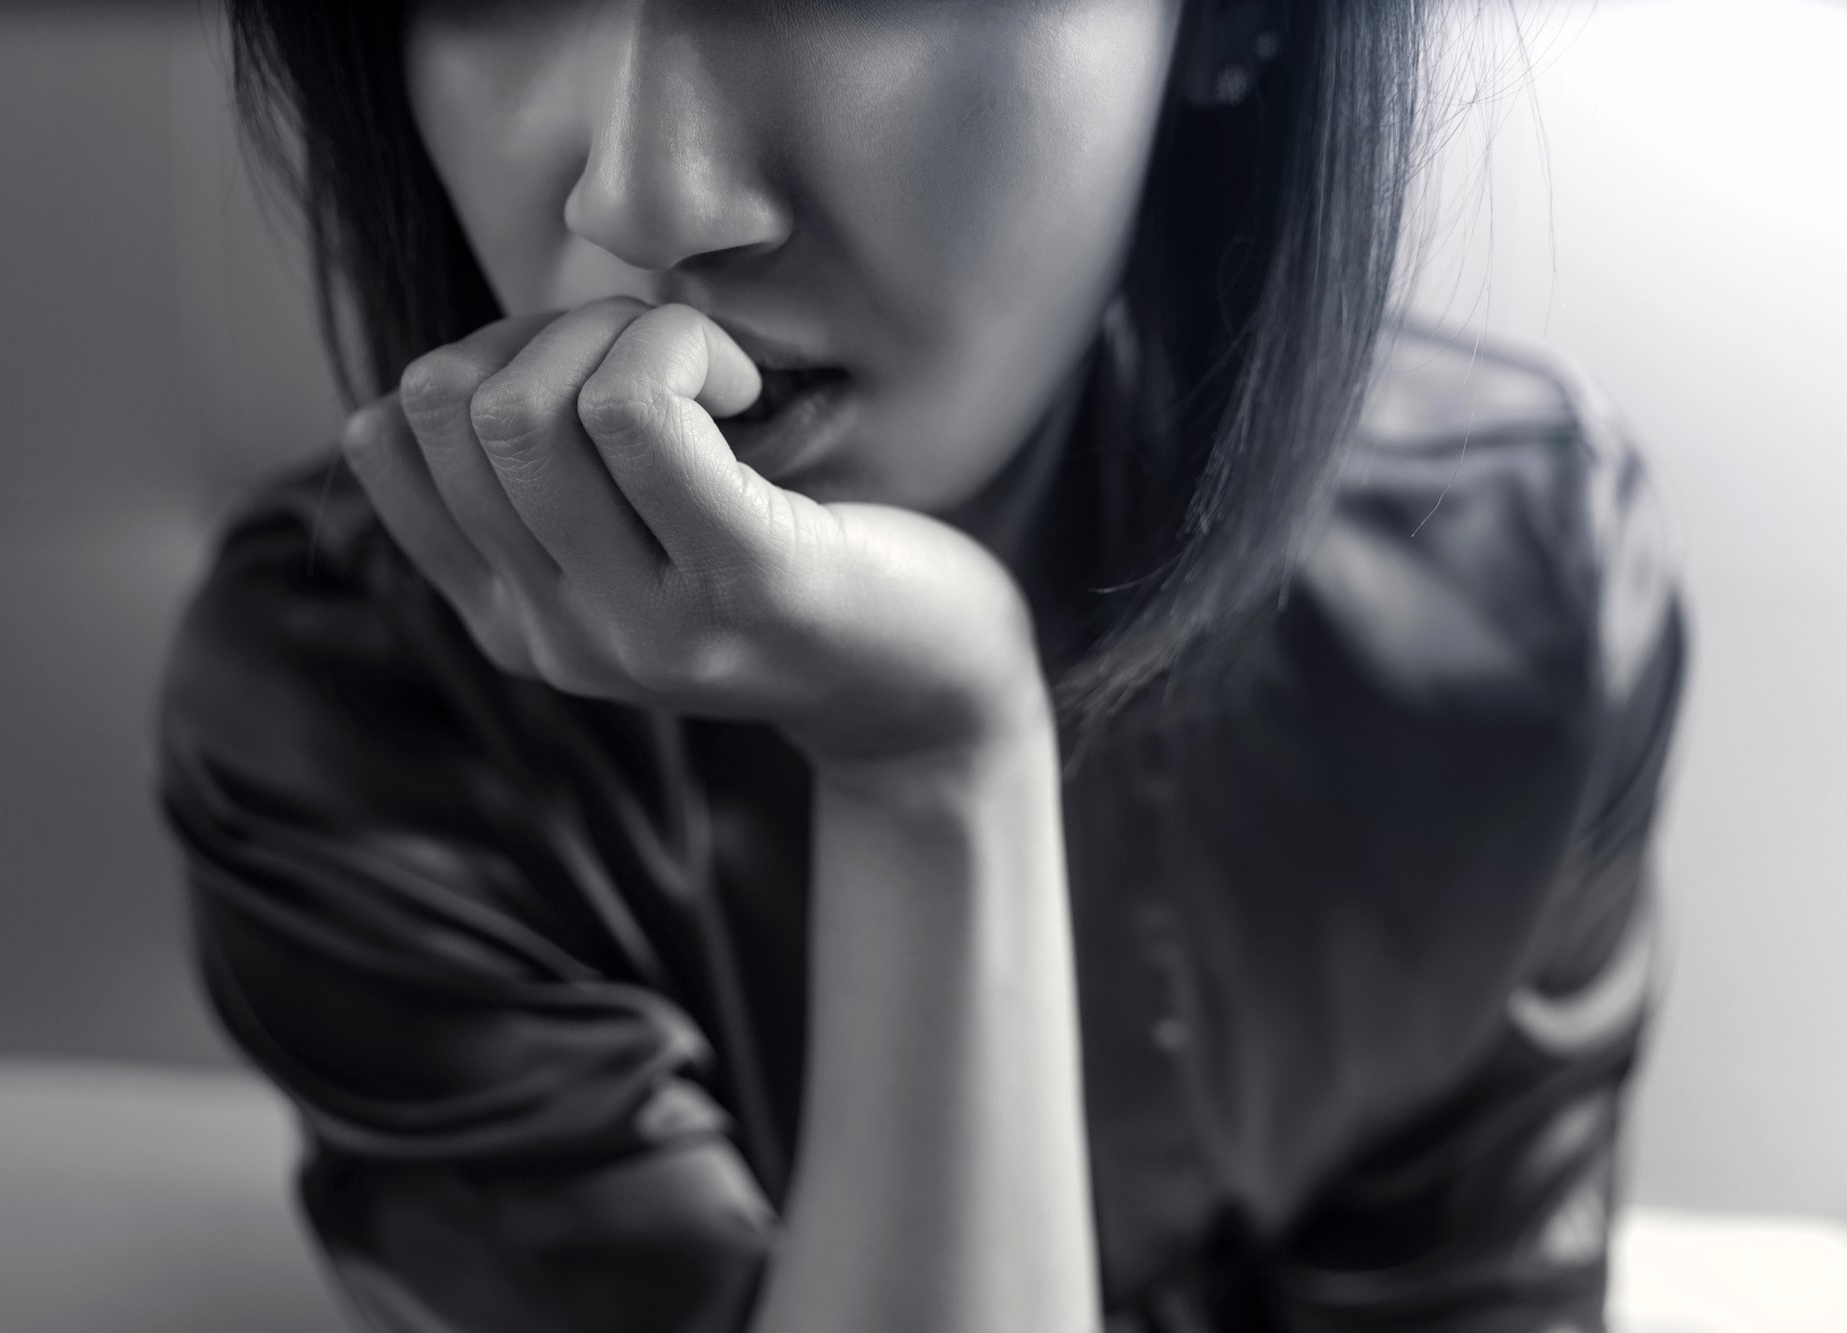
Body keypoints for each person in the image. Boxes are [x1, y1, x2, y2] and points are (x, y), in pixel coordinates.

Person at [156, 2, 1690, 1330]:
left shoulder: (1517, 582)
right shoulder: (348, 693)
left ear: (1237, 20)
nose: (645, 190)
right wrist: (928, 764)